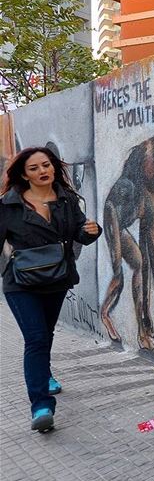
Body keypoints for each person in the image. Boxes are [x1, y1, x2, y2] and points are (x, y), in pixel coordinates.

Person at [0, 147, 101, 432]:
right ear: (23, 174)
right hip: (20, 284)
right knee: (35, 339)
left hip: (56, 279)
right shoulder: (7, 206)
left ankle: (43, 374)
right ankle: (41, 406)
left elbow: (77, 233)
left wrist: (91, 231)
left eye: (46, 165)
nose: (42, 171)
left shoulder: (67, 200)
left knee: (45, 333)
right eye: (34, 168)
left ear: (54, 168)